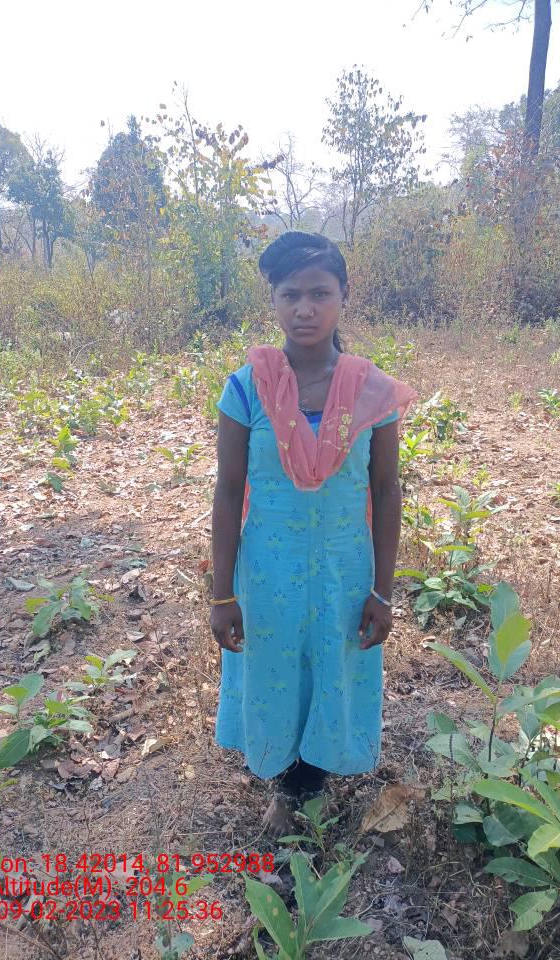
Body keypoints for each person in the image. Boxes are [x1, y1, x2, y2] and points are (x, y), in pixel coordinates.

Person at [210, 231, 418, 835]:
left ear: (344, 296)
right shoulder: (246, 388)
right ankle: (286, 786)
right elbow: (228, 491)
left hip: (343, 569)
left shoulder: (372, 393)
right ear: (273, 300)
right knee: (275, 673)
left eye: (320, 293)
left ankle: (312, 783)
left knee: (332, 667)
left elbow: (386, 490)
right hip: (267, 569)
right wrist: (222, 594)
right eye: (291, 294)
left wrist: (382, 591)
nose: (305, 308)